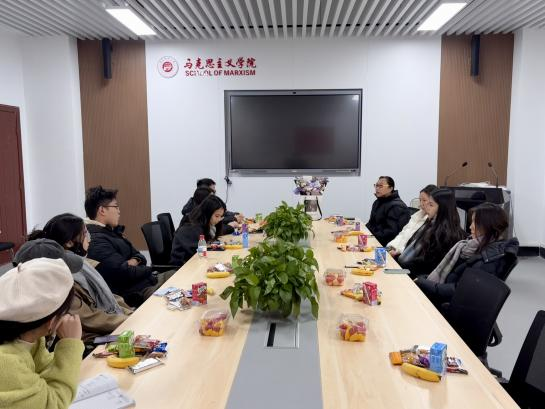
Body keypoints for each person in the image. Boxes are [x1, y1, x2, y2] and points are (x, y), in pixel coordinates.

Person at [22, 213, 133, 343]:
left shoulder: (83, 266)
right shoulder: (62, 277)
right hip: (88, 339)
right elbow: (88, 318)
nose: (89, 239)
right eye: (85, 234)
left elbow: (107, 296)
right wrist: (128, 320)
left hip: (108, 324)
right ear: (69, 242)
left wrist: (130, 313)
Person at [0, 258, 84, 409]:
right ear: (51, 321)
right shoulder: (6, 363)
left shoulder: (31, 340)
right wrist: (70, 345)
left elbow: (46, 371)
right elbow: (54, 404)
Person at [415, 203, 519, 307]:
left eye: (474, 222)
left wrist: (424, 283)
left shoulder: (487, 261)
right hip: (444, 294)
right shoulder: (470, 246)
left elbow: (459, 291)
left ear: (487, 225)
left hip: (449, 305)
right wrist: (425, 280)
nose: (470, 226)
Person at [84, 186, 173, 307]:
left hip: (147, 281)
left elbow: (139, 256)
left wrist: (134, 261)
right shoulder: (96, 240)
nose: (119, 211)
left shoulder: (111, 232)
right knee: (181, 285)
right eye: (116, 206)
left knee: (181, 275)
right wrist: (149, 269)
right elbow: (123, 272)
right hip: (138, 292)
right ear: (102, 210)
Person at [398, 188, 466, 277]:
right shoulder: (430, 223)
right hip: (409, 270)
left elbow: (427, 266)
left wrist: (399, 269)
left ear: (442, 208)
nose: (426, 207)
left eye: (431, 205)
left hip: (419, 278)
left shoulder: (446, 234)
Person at [171, 195, 226, 266]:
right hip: (182, 267)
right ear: (207, 213)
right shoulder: (192, 228)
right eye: (217, 216)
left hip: (193, 263)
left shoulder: (204, 225)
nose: (219, 220)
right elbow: (198, 253)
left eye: (221, 216)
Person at [387, 184, 437, 256]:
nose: (421, 204)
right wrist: (391, 246)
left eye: (424, 200)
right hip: (396, 251)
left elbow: (415, 245)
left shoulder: (430, 221)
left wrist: (398, 251)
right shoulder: (417, 215)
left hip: (405, 256)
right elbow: (403, 233)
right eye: (420, 200)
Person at [366, 176, 411, 246]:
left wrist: (370, 237)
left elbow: (391, 233)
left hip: (386, 246)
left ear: (390, 188)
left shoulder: (396, 206)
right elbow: (371, 223)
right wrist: (363, 233)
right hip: (374, 240)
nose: (377, 188)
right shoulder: (377, 202)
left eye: (381, 186)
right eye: (376, 185)